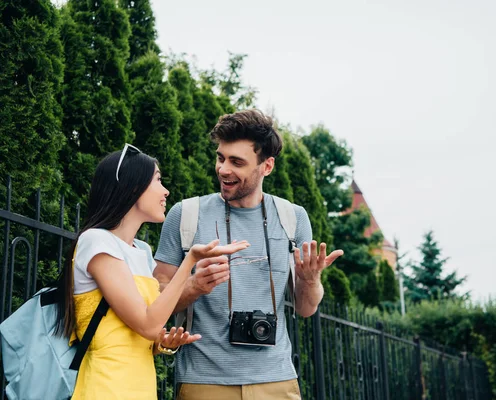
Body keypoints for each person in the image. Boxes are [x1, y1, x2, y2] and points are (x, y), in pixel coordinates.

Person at [154, 109, 343, 400]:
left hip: (277, 380)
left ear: (266, 166)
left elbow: (306, 309)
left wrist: (310, 279)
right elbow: (155, 299)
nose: (223, 169)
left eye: (236, 162)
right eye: (220, 158)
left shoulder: (293, 218)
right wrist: (192, 287)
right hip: (204, 381)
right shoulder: (185, 215)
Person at [54, 144, 248, 399]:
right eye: (157, 179)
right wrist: (190, 260)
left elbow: (147, 326)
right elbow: (147, 324)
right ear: (133, 187)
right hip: (105, 386)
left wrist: (162, 341)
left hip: (141, 386)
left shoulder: (143, 251)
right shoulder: (96, 242)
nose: (166, 191)